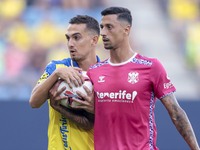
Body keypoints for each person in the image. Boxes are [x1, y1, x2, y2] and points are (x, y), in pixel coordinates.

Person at [71, 7, 200, 150]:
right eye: (102, 27)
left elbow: (176, 112)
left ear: (126, 30)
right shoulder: (94, 71)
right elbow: (89, 120)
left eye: (109, 27)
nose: (103, 33)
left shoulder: (151, 67)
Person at [29, 15, 100, 150]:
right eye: (68, 38)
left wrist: (96, 109)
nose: (70, 44)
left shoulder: (105, 74)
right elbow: (34, 102)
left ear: (94, 40)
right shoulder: (56, 67)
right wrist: (56, 75)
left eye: (76, 37)